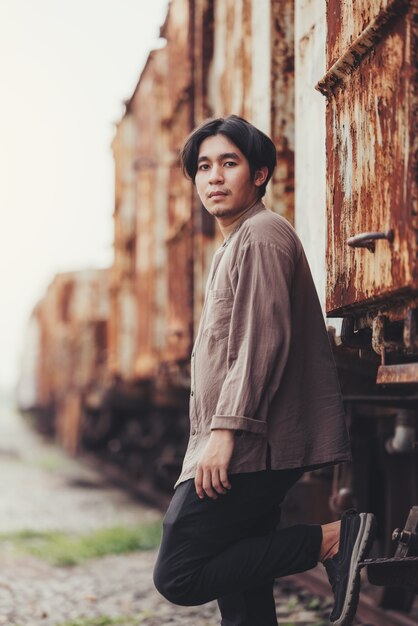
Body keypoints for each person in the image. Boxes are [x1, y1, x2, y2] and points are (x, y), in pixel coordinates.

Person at [153, 115, 376, 626]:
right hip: (248, 441)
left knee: (179, 573)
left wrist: (225, 434)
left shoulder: (260, 234)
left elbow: (261, 343)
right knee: (244, 592)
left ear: (258, 174)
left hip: (252, 445)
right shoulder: (235, 242)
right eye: (203, 167)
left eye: (228, 163)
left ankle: (331, 539)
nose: (213, 177)